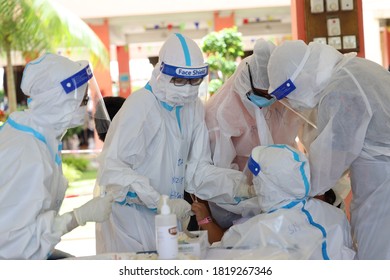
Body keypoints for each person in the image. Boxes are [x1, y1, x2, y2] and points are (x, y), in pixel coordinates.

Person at [94, 33, 248, 254]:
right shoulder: (141, 107)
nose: (187, 88)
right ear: (161, 72)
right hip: (132, 224)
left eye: (194, 81)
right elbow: (112, 173)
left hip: (169, 220)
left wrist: (241, 186)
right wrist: (158, 201)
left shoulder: (193, 106)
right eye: (179, 80)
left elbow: (198, 171)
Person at [267, 40, 390, 259]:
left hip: (382, 187)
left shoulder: (339, 91)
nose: (290, 103)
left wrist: (284, 185)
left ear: (300, 79)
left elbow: (324, 170)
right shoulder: (352, 69)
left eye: (288, 95)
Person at [0, 53, 114, 259]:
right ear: (59, 101)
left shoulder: (36, 134)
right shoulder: (27, 153)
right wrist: (77, 217)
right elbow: (15, 244)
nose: (86, 107)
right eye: (83, 100)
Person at [215, 145, 356, 260]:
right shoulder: (335, 215)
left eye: (256, 178)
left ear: (265, 184)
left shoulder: (257, 230)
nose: (252, 182)